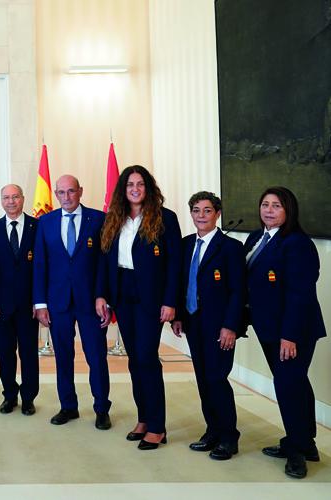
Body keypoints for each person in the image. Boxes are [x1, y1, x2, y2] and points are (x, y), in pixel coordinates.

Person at [96, 165, 181, 450]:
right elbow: (104, 261)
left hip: (151, 297)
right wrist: (102, 296)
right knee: (134, 359)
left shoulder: (165, 219)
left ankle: (158, 426)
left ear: (148, 188)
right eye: (130, 184)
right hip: (122, 292)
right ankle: (144, 418)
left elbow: (174, 266)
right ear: (123, 188)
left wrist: (171, 302)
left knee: (146, 357)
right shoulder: (113, 219)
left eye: (140, 184)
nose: (135, 188)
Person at [243, 187, 326, 479]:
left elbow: (299, 294)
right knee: (295, 384)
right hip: (268, 327)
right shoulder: (257, 238)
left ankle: (296, 453)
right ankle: (306, 443)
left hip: (293, 331)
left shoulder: (297, 244)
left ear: (288, 210)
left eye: (276, 206)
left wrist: (289, 335)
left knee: (288, 388)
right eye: (265, 204)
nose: (268, 210)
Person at [33, 175, 111, 429]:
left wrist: (103, 296)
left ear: (80, 191)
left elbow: (104, 263)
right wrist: (40, 303)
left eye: (71, 192)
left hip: (91, 303)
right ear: (56, 194)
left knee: (96, 357)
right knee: (63, 357)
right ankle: (68, 406)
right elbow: (40, 265)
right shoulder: (45, 222)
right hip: (58, 303)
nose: (67, 197)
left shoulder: (98, 219)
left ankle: (101, 408)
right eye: (61, 193)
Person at [172, 191, 244, 460]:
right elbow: (181, 283)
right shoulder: (186, 244)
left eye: (207, 211)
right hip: (193, 321)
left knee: (217, 378)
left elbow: (238, 291)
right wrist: (178, 315)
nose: (201, 216)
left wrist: (230, 326)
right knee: (203, 379)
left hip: (219, 326)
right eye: (196, 210)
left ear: (217, 214)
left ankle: (228, 437)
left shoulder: (231, 248)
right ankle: (212, 431)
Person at [0, 184, 39, 415]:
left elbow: (42, 268)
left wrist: (40, 302)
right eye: (6, 197)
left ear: (23, 199)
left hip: (29, 305)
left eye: (15, 197)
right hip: (2, 305)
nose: (11, 201)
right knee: (5, 353)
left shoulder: (38, 227)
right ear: (1, 201)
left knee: (28, 352)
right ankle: (9, 395)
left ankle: (28, 398)